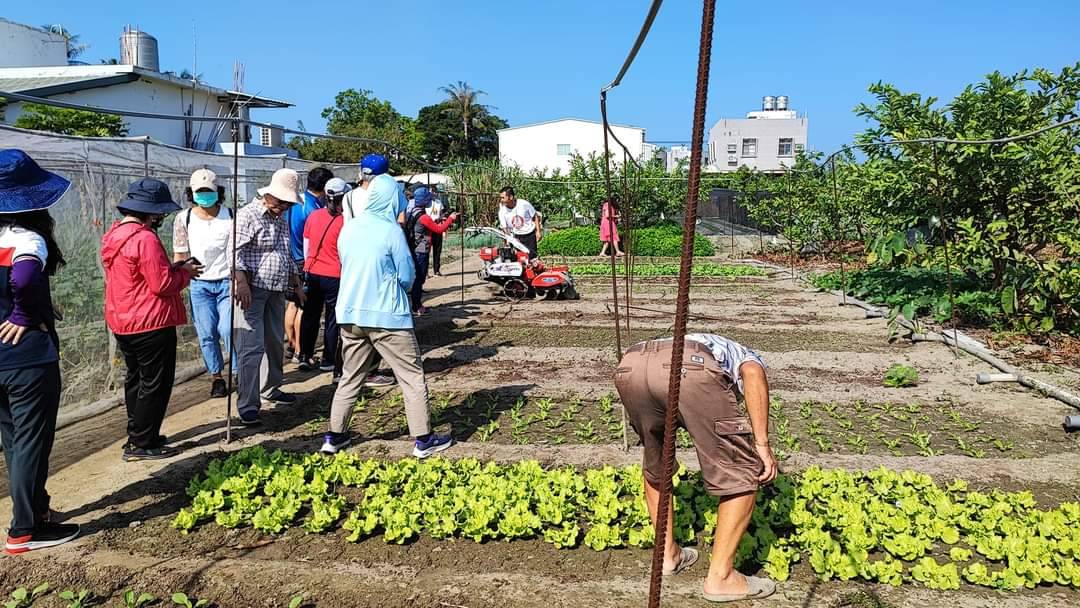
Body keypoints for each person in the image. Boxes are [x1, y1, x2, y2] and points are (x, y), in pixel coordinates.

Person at [614, 334, 778, 603]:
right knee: (741, 471)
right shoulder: (745, 356)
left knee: (657, 464)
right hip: (689, 366)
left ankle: (667, 556)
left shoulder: (707, 342)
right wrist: (762, 444)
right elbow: (752, 373)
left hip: (630, 365)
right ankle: (721, 579)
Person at [321, 174, 453, 458]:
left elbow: (348, 264)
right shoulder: (390, 230)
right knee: (411, 377)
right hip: (387, 317)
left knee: (350, 377)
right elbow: (407, 275)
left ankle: (334, 437)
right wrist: (398, 285)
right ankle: (423, 439)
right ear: (391, 199)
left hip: (351, 315)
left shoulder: (350, 227)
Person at [0, 149, 81, 554]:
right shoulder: (26, 238)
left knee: (14, 440)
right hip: (26, 358)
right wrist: (23, 314)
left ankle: (37, 509)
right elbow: (27, 276)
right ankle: (24, 530)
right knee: (32, 440)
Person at [102, 178, 202, 461]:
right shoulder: (145, 238)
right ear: (151, 211)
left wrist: (174, 267)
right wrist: (185, 273)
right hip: (150, 321)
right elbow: (161, 284)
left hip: (123, 319)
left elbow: (141, 275)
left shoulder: (116, 235)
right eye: (160, 212)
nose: (161, 217)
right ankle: (141, 443)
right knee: (155, 383)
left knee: (136, 379)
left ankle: (139, 433)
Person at [230, 168, 305, 426]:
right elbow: (234, 252)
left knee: (274, 342)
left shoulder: (280, 218)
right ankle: (248, 404)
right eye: (280, 201)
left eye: (287, 203)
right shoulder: (247, 216)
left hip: (275, 289)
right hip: (251, 290)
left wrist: (295, 282)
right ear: (269, 194)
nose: (283, 206)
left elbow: (285, 251)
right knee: (251, 348)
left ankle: (271, 388)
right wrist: (241, 282)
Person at [174, 169, 235, 397]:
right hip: (199, 284)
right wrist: (179, 281)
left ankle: (237, 371)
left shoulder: (229, 216)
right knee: (207, 332)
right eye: (199, 191)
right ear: (191, 193)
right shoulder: (184, 218)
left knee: (227, 329)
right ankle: (216, 377)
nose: (204, 195)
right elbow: (180, 254)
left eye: (208, 191)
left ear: (217, 192)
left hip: (227, 281)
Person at [299, 177, 350, 380]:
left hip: (312, 272)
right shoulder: (345, 221)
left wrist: (307, 268)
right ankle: (329, 360)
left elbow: (306, 245)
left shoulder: (313, 216)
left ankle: (305, 354)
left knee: (310, 315)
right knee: (332, 318)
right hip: (335, 274)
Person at [285, 167, 332, 364]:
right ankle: (300, 351)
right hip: (304, 260)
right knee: (304, 307)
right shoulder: (314, 209)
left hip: (288, 256)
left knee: (292, 304)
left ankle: (291, 343)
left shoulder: (295, 200)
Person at [404, 186, 459, 315]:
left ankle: (416, 304)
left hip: (414, 249)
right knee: (420, 279)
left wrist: (440, 220)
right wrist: (450, 219)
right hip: (421, 251)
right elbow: (438, 230)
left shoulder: (413, 212)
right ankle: (417, 306)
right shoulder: (423, 217)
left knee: (417, 278)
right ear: (425, 201)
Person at [497, 186, 542, 259]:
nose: (501, 200)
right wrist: (510, 240)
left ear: (510, 197)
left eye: (503, 198)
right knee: (520, 259)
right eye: (501, 198)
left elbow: (535, 216)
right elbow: (505, 228)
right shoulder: (502, 212)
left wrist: (538, 232)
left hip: (530, 235)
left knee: (532, 259)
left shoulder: (524, 204)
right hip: (517, 237)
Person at [427, 194, 447, 276]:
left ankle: (436, 270)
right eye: (431, 190)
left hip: (437, 226)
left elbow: (441, 213)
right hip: (428, 227)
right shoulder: (426, 202)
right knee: (426, 251)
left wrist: (442, 219)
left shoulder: (439, 202)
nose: (433, 192)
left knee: (437, 250)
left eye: (434, 190)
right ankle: (426, 272)